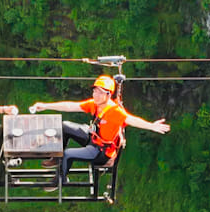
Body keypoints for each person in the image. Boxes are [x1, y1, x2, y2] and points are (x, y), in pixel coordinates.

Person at [28, 75, 168, 181]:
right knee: (65, 126)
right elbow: (71, 106)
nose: (96, 95)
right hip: (93, 138)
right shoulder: (95, 104)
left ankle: (60, 179)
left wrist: (151, 126)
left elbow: (132, 120)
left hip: (101, 152)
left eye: (100, 93)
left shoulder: (114, 112)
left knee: (68, 154)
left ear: (108, 95)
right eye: (95, 91)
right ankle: (56, 159)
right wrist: (46, 106)